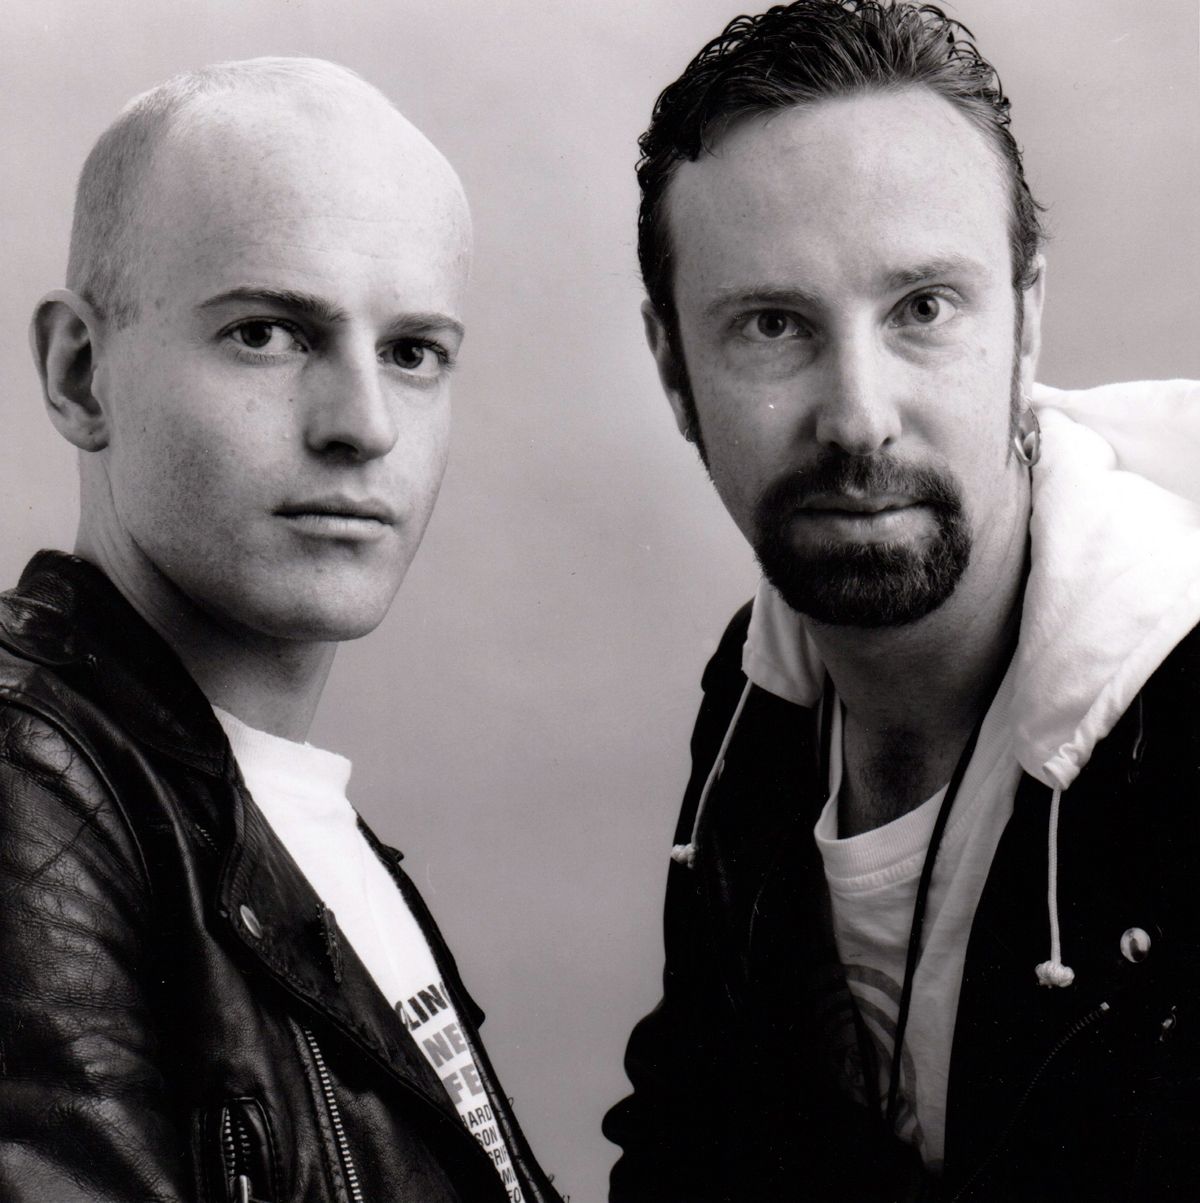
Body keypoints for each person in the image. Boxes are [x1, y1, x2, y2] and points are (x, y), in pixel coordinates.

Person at [604, 3, 1200, 1200]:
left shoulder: (1180, 729)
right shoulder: (762, 688)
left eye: (923, 309)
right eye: (774, 325)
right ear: (674, 370)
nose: (859, 416)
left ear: (1026, 321)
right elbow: (690, 1142)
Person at [0, 58, 560, 1203]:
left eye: (412, 353)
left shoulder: (284, 823)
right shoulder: (25, 785)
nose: (363, 425)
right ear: (80, 373)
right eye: (268, 333)